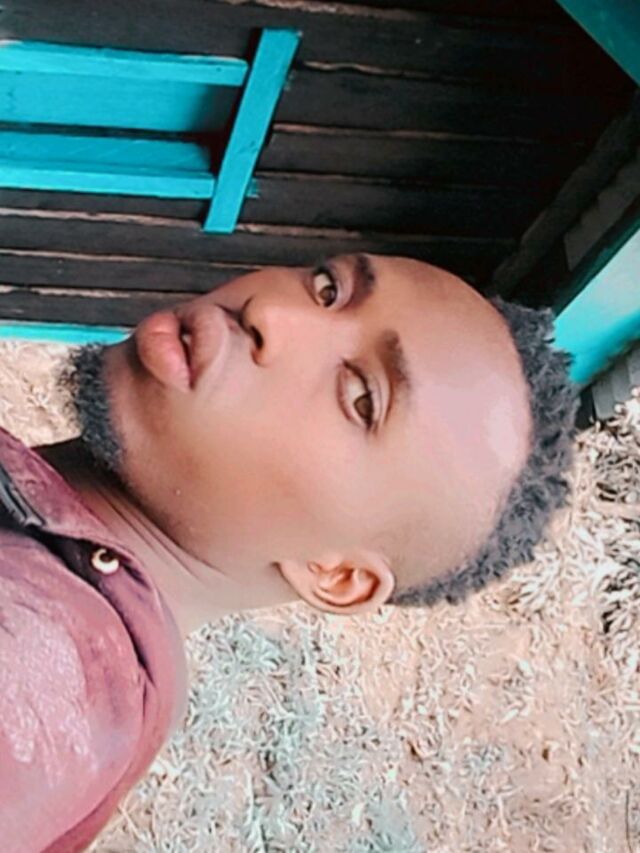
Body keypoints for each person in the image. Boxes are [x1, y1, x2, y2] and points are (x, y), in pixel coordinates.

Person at [0, 253, 579, 851]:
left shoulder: (42, 670)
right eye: (328, 289)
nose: (272, 314)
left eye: (360, 397)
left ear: (335, 574)